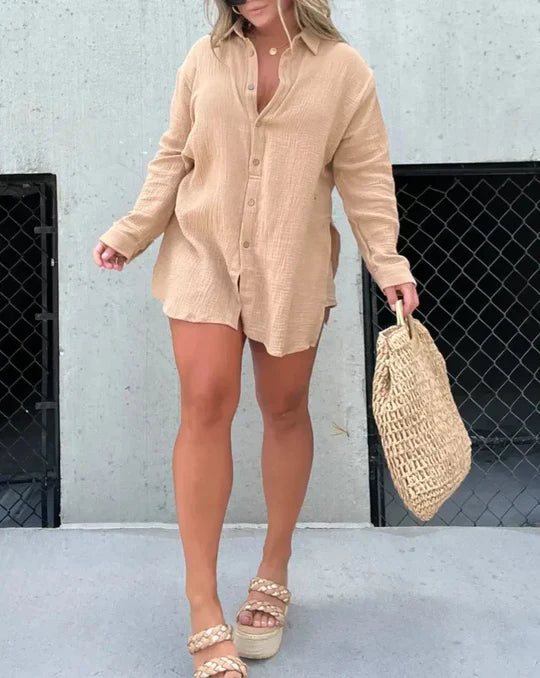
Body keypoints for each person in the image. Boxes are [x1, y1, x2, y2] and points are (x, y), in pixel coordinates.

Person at [92, 1, 420, 676]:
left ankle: (275, 565)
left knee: (285, 409)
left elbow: (365, 174)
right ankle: (203, 605)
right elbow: (175, 153)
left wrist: (388, 263)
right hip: (202, 253)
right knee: (205, 403)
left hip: (290, 263)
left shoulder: (345, 71)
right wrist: (134, 229)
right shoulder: (204, 58)